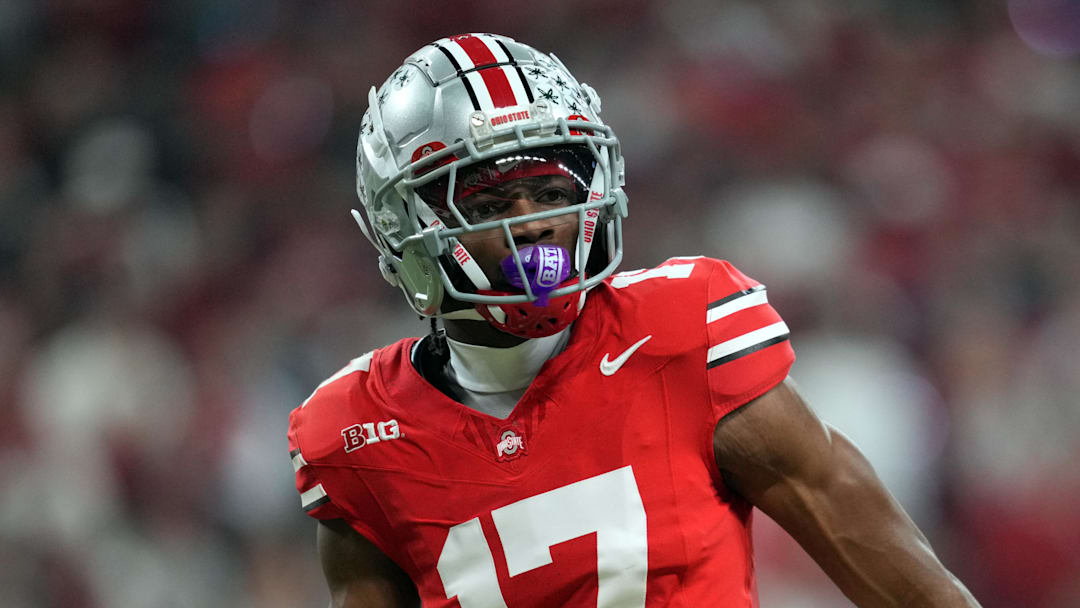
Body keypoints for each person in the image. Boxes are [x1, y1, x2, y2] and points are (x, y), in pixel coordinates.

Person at [287, 33, 980, 607]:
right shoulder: (356, 435)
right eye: (492, 205)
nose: (535, 227)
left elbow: (914, 588)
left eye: (551, 193)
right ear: (404, 230)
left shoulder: (685, 333)